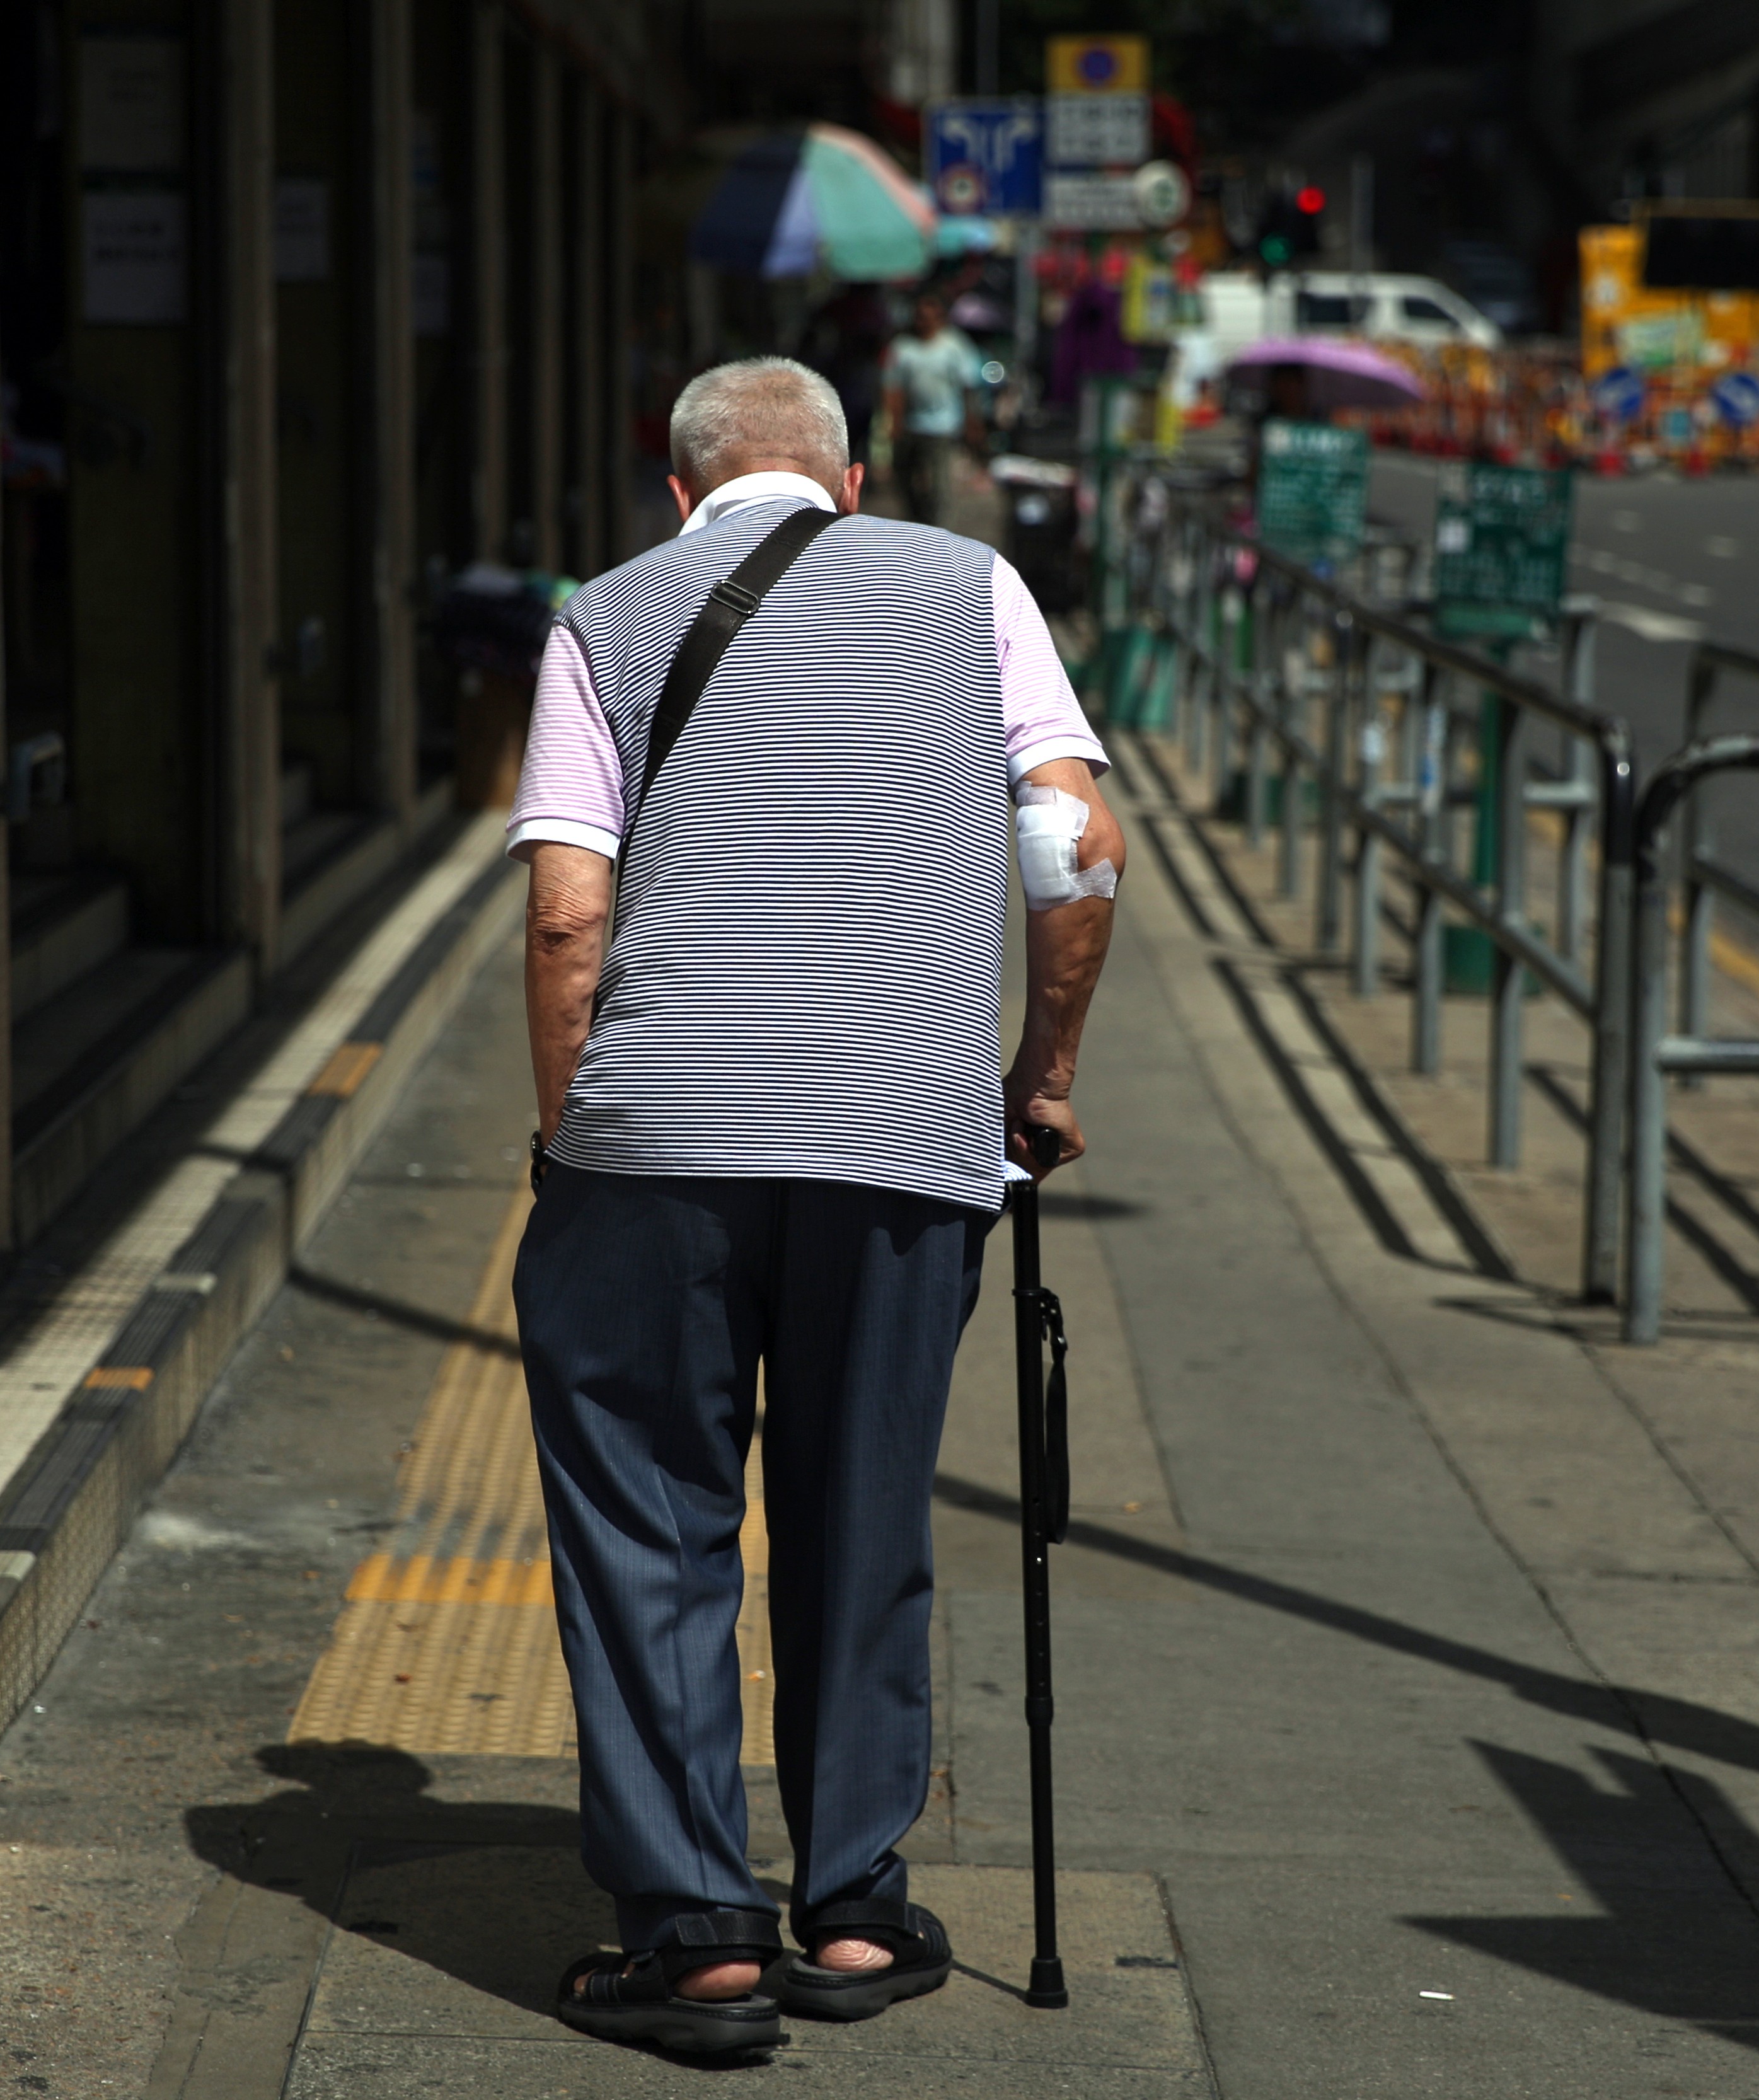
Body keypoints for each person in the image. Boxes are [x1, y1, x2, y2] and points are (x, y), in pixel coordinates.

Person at [504, 355, 1124, 2056]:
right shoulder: (970, 582)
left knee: (646, 1519)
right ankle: (850, 1910)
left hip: (653, 1155)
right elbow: (1073, 843)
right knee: (859, 1508)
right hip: (902, 1150)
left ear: (679, 486)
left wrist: (577, 1140)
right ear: (848, 485)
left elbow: (568, 913)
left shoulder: (606, 615)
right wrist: (1041, 1075)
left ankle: (696, 1930)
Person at [880, 292, 985, 526]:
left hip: (944, 426)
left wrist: (973, 422)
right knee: (906, 479)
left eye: (930, 317)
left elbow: (968, 386)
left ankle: (940, 529)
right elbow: (893, 388)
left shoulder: (954, 346)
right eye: (920, 316)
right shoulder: (903, 347)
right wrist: (893, 424)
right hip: (912, 424)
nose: (924, 322)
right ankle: (916, 522)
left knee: (939, 484)